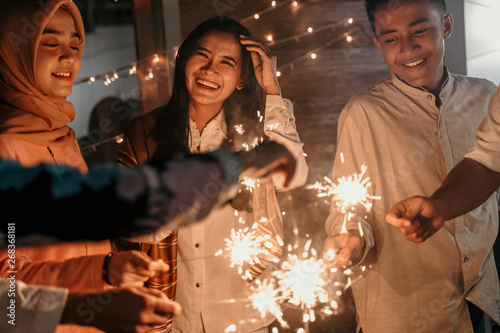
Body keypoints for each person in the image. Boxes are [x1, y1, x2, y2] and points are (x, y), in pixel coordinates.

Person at [116, 16, 308, 333]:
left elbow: (296, 174)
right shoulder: (145, 133)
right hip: (170, 320)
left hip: (248, 318)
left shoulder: (256, 137)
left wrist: (272, 90)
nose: (210, 69)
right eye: (202, 55)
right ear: (185, 61)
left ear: (242, 79)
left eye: (227, 62)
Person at [322, 0, 499, 332]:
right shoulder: (363, 114)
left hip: (482, 300)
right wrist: (351, 237)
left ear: (446, 26)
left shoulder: (487, 97)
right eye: (391, 38)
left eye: (420, 30)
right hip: (404, 312)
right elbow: (348, 205)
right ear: (377, 43)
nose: (408, 48)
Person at [0, 141, 297, 333]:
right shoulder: (7, 146)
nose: (68, 56)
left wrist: (102, 270)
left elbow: (95, 202)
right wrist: (83, 309)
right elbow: (9, 308)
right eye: (51, 44)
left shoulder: (56, 141)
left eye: (76, 41)